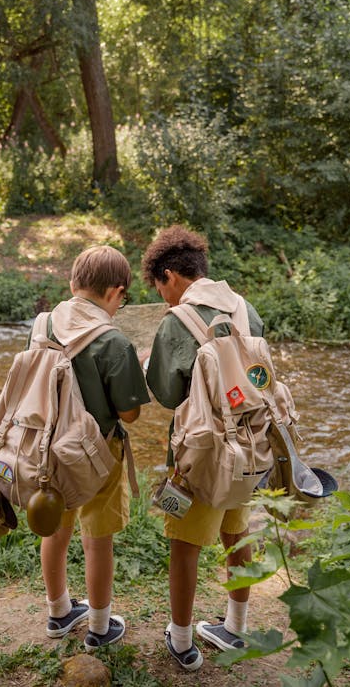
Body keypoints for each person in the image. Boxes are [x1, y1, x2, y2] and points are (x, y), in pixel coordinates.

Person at [141, 225, 264, 671]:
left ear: (171, 275)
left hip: (203, 452)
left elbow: (169, 394)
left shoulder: (179, 320)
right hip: (250, 446)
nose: (163, 298)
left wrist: (150, 364)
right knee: (238, 532)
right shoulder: (245, 308)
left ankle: (181, 640)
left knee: (185, 543)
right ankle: (235, 627)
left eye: (160, 287)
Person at [36, 245, 150, 651]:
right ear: (117, 292)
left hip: (49, 446)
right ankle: (101, 628)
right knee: (97, 539)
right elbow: (130, 414)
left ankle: (59, 612)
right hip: (98, 452)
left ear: (72, 283)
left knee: (57, 527)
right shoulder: (115, 341)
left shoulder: (45, 324)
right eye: (123, 299)